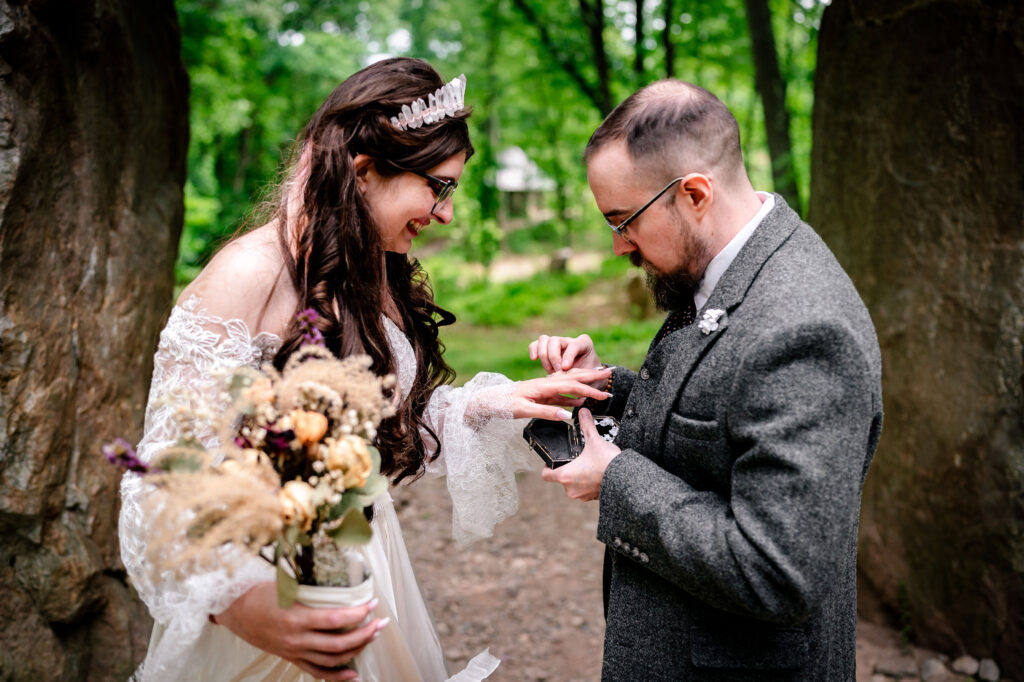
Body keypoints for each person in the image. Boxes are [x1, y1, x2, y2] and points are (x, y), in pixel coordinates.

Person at [119, 57, 610, 682]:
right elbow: (163, 476)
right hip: (269, 592)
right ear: (364, 171)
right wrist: (241, 604)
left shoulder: (367, 268)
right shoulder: (245, 277)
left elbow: (376, 418)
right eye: (440, 185)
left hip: (365, 565)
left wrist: (498, 403)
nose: (446, 213)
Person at [530, 80, 883, 681]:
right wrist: (608, 387)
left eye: (624, 220)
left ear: (694, 194)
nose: (619, 246)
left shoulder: (804, 329)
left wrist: (615, 479)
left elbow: (777, 572)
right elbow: (727, 410)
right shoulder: (736, 261)